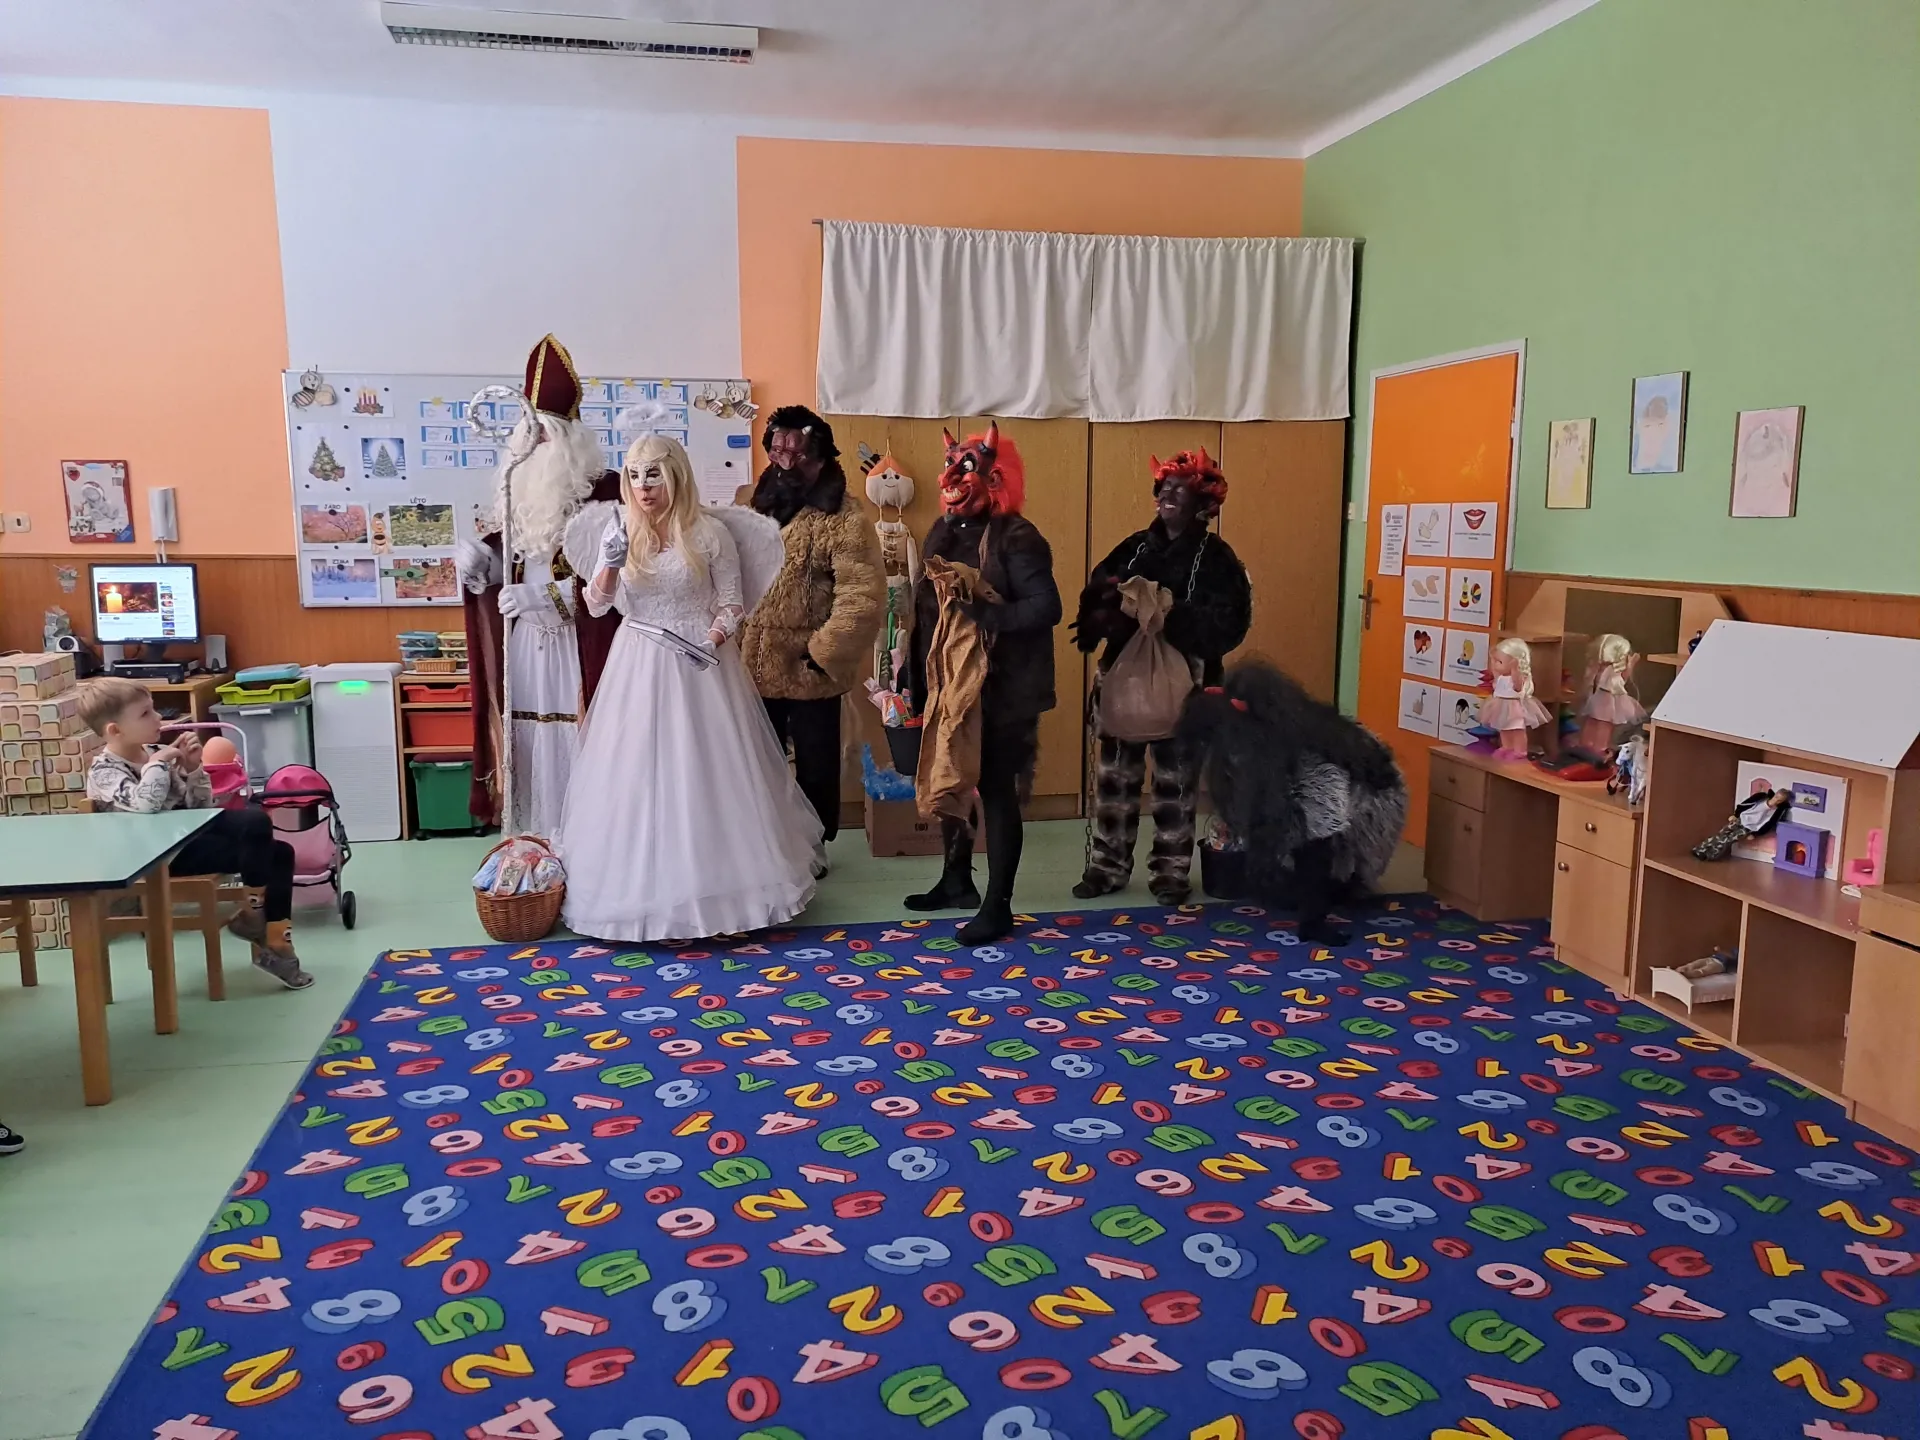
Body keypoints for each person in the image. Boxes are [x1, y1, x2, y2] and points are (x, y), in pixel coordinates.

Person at [553, 429, 824, 942]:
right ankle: (648, 899)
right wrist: (610, 564)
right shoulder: (619, 529)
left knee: (706, 772)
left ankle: (724, 898)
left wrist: (713, 638)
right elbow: (597, 606)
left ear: (676, 475)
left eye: (653, 475)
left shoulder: (709, 533)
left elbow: (732, 605)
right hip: (637, 666)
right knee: (637, 774)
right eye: (635, 475)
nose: (643, 486)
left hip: (700, 666)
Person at [457, 334, 622, 840]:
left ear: (570, 439)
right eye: (527, 434)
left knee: (579, 737)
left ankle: (586, 844)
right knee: (527, 739)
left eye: (543, 435)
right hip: (526, 648)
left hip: (577, 647)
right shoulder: (516, 490)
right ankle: (533, 845)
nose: (533, 445)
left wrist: (547, 599)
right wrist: (482, 570)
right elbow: (510, 566)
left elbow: (621, 584)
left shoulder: (609, 491)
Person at [903, 424, 1061, 943]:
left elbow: (1047, 607)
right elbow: (927, 609)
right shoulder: (943, 532)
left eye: (967, 467)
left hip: (1005, 690)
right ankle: (956, 881)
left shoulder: (1018, 536)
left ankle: (999, 905)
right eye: (950, 465)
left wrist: (988, 616)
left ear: (995, 478)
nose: (952, 477)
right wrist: (913, 672)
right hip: (951, 685)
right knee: (951, 775)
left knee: (995, 789)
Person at [1072, 448, 1251, 904]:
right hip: (1125, 679)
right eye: (1164, 487)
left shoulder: (1217, 558)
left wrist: (1169, 614)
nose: (1168, 495)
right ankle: (1107, 867)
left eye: (1180, 489)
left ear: (1202, 502)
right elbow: (1094, 598)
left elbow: (1231, 623)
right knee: (1115, 779)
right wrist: (1115, 612)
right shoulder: (1133, 548)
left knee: (1176, 783)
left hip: (1189, 684)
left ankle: (1171, 872)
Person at [78, 678, 311, 989]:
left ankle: (268, 932)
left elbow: (200, 808)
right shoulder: (104, 772)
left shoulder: (155, 753)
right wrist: (158, 764)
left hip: (185, 839)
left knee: (274, 844)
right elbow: (146, 804)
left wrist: (192, 769)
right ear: (115, 730)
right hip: (154, 858)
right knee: (265, 839)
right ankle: (258, 924)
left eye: (153, 710)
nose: (158, 718)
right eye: (145, 713)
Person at [736, 406, 884, 846]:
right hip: (752, 664)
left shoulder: (844, 517)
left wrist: (823, 653)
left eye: (796, 453)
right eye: (777, 451)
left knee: (816, 764)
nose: (785, 462)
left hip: (808, 667)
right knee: (757, 760)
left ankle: (814, 844)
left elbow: (861, 595)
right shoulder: (752, 504)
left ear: (819, 456)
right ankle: (765, 843)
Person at [1178, 662, 1407, 946]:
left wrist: (1313, 920)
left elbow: (1321, 832)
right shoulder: (1246, 747)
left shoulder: (1312, 752)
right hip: (1309, 802)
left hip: (1365, 810)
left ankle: (1336, 893)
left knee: (1316, 857)